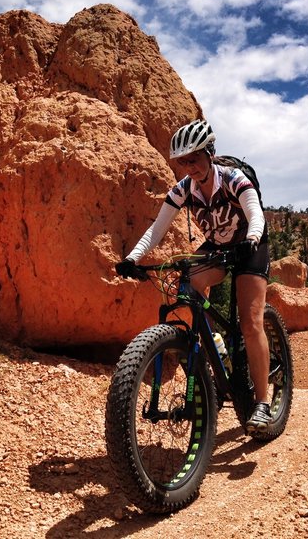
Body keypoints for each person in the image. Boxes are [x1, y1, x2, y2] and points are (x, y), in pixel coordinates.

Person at [115, 119, 272, 434]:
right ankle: (215, 345)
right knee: (190, 280)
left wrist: (251, 240)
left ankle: (263, 404)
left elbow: (255, 214)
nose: (189, 167)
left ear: (209, 153)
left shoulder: (233, 179)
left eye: (194, 158)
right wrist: (132, 259)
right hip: (217, 245)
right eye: (183, 162)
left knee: (251, 322)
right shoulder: (183, 189)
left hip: (248, 245)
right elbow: (156, 230)